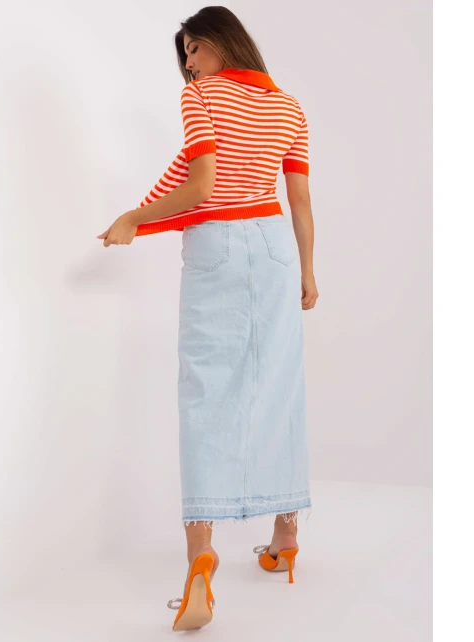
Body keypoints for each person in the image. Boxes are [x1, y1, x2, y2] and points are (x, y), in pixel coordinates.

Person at [97, 6, 319, 631]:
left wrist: (133, 217)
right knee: (279, 382)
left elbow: (200, 188)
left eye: (195, 48)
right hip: (275, 245)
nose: (190, 64)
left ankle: (201, 556)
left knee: (205, 392)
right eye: (186, 54)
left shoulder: (201, 98)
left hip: (218, 243)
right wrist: (307, 271)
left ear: (224, 41)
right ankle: (285, 537)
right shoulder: (290, 107)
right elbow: (299, 199)